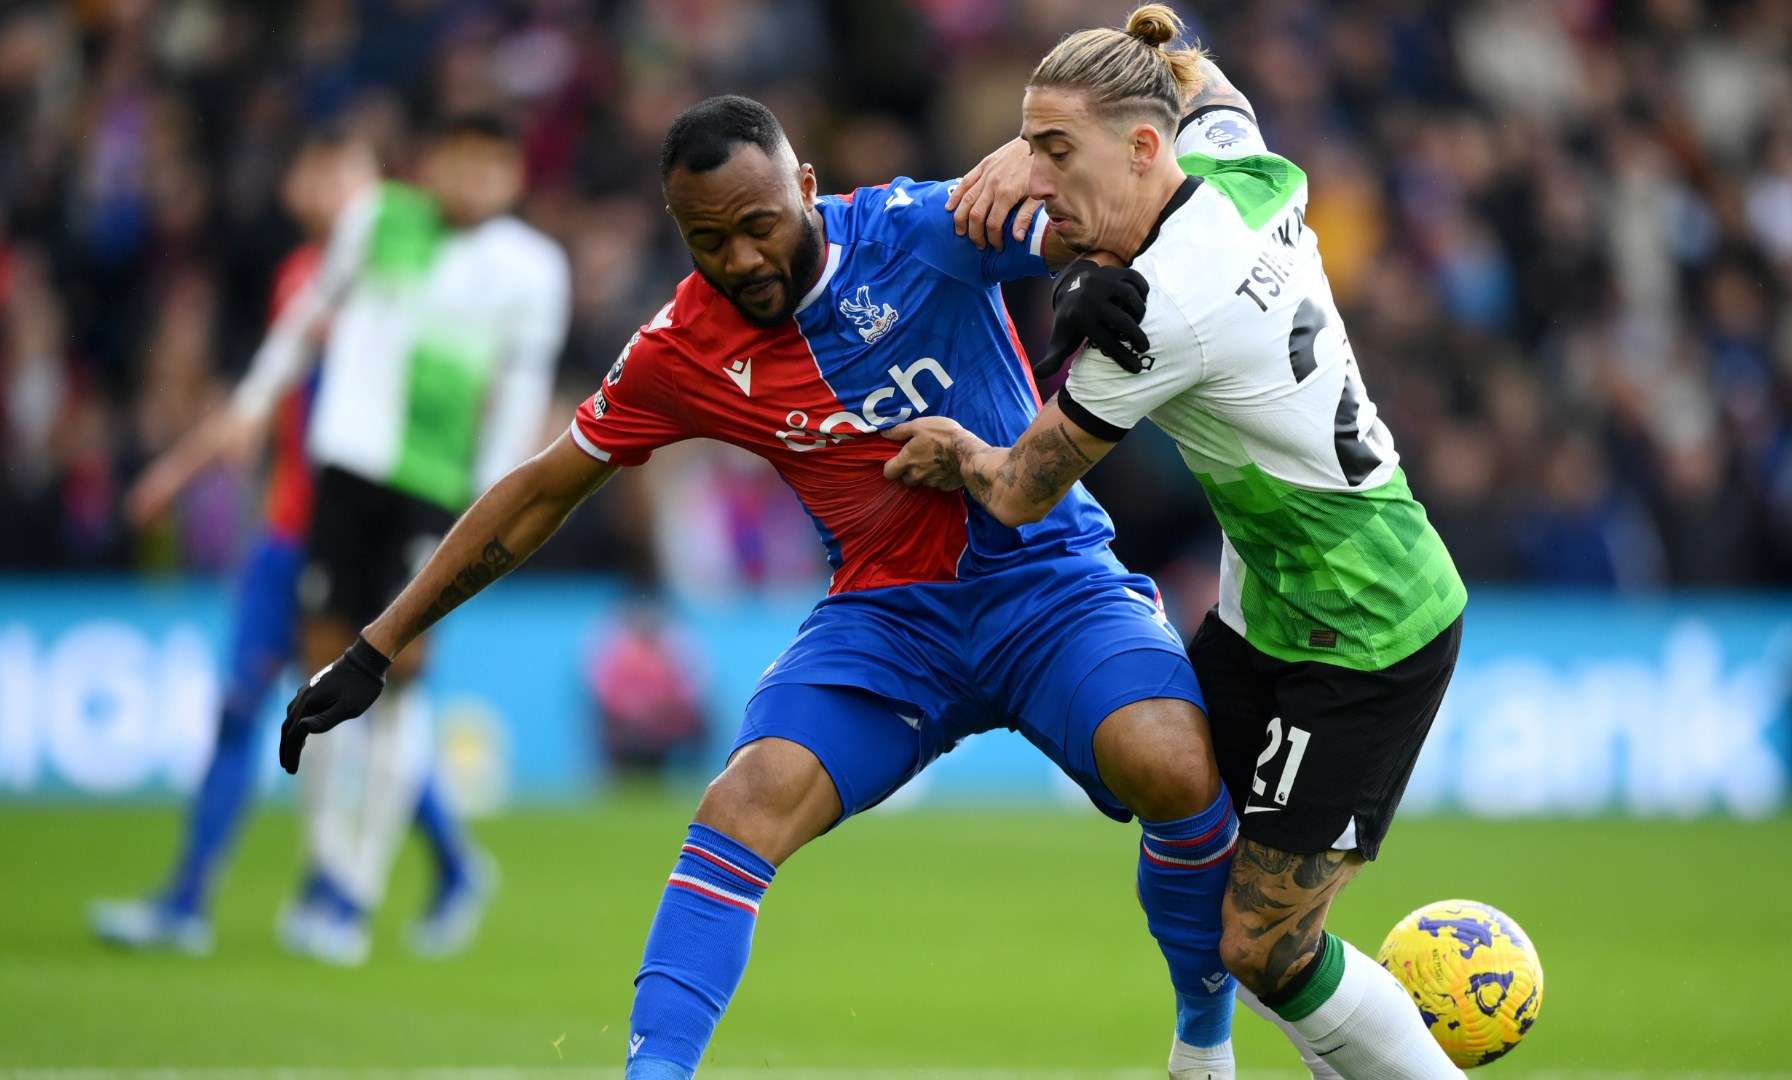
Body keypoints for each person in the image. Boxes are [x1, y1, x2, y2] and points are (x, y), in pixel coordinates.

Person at [277, 94, 1247, 1079]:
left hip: (1051, 585)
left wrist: (1085, 273)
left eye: (757, 225)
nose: (739, 259)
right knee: (744, 801)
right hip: (891, 622)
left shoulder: (921, 228)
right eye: (708, 240)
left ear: (807, 191)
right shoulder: (680, 348)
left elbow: (1096, 219)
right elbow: (536, 492)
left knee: (1173, 765)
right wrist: (376, 644)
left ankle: (1202, 1048)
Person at [886, 6, 1472, 1077]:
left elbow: (1018, 491)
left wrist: (957, 449)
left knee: (1265, 944)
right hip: (1270, 604)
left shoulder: (1151, 319)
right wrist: (1066, 117)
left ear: (1141, 148)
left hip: (1368, 626)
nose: (1041, 186)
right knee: (1177, 805)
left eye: (1058, 155)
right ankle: (1206, 1058)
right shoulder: (1237, 166)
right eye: (1036, 151)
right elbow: (1201, 81)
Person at [154, 114, 565, 964]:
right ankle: (328, 873)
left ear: (513, 176)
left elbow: (521, 394)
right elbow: (310, 316)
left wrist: (491, 512)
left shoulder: (532, 268)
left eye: (489, 166)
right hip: (344, 473)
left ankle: (356, 890)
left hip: (436, 495)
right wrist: (253, 404)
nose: (470, 179)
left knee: (400, 681)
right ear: (434, 159)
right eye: (458, 158)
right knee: (325, 675)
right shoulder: (382, 217)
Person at [88, 132, 476, 959]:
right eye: (313, 166)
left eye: (338, 169)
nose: (321, 184)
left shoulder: (396, 276)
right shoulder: (302, 278)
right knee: (250, 709)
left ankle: (401, 873)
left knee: (346, 707)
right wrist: (181, 472)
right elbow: (263, 405)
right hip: (288, 532)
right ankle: (189, 901)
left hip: (357, 528)